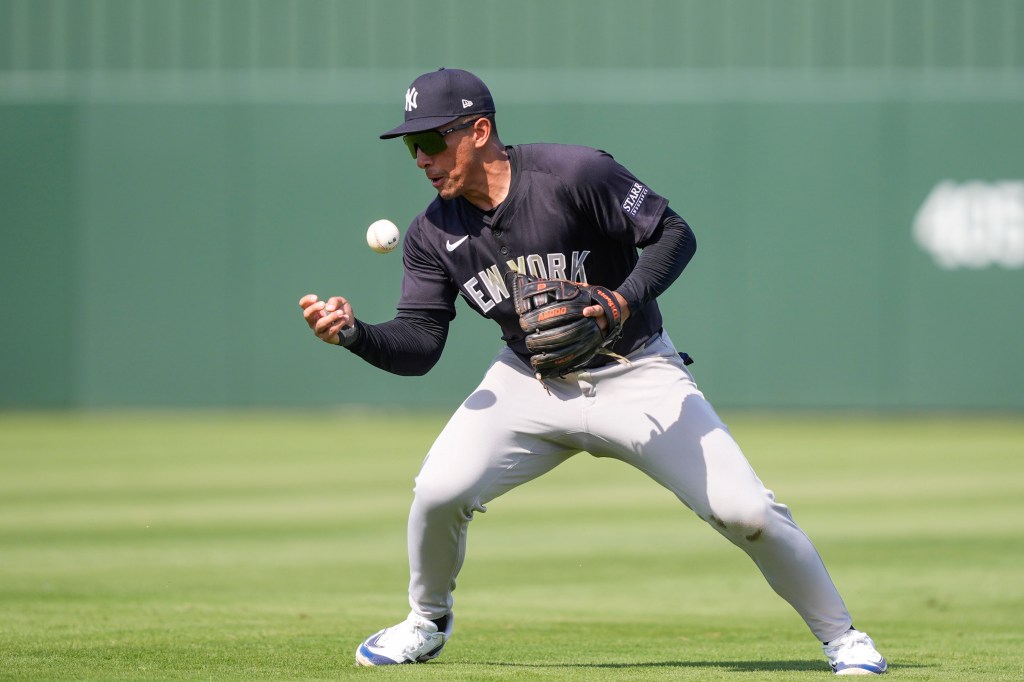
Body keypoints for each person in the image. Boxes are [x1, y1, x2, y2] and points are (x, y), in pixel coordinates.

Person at [299, 67, 888, 675]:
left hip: (635, 370)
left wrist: (620, 300)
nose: (420, 158)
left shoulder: (574, 173)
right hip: (528, 381)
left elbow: (673, 235)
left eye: (430, 141)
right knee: (437, 492)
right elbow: (420, 343)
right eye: (410, 145)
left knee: (748, 514)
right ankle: (426, 619)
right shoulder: (432, 231)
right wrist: (354, 334)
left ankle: (842, 637)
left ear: (478, 131)